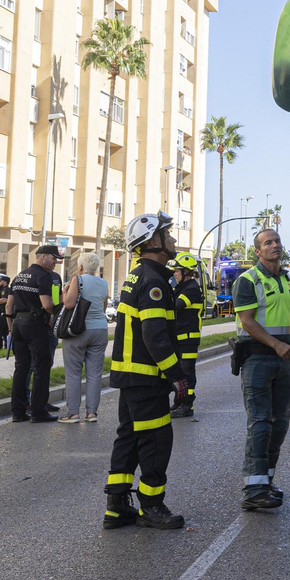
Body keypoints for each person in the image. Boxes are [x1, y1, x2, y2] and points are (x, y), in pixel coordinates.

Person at [103, 212, 189, 530]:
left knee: (128, 437)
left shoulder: (138, 275)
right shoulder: (154, 281)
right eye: (168, 235)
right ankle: (151, 507)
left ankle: (117, 507)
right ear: (154, 241)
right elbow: (155, 337)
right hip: (146, 377)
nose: (173, 239)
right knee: (156, 440)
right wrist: (177, 376)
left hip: (130, 376)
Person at [232, 228, 290, 511]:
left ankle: (266, 481)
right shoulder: (248, 280)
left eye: (277, 241)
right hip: (257, 359)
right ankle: (253, 490)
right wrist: (277, 345)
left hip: (284, 359)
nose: (275, 245)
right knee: (261, 422)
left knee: (280, 423)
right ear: (258, 251)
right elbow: (247, 321)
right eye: (268, 243)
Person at [9, 246, 63, 422]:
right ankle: (39, 411)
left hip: (18, 324)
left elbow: (9, 303)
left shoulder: (20, 275)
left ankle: (18, 411)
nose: (55, 262)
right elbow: (47, 305)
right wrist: (59, 312)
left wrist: (10, 326)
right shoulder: (43, 276)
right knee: (41, 366)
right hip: (35, 324)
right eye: (53, 258)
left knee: (21, 367)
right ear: (43, 256)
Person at [59, 254, 109, 424]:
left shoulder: (77, 280)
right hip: (100, 330)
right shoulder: (103, 283)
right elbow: (103, 307)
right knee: (95, 373)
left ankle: (73, 413)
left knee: (73, 373)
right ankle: (91, 413)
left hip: (78, 330)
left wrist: (65, 292)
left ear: (80, 267)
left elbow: (69, 304)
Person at [170, 252, 205, 419]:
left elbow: (177, 305)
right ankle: (179, 399)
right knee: (178, 372)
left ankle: (187, 404)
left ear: (186, 272)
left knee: (187, 372)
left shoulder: (191, 288)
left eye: (177, 271)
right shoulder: (181, 287)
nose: (174, 274)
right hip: (180, 337)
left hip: (189, 338)